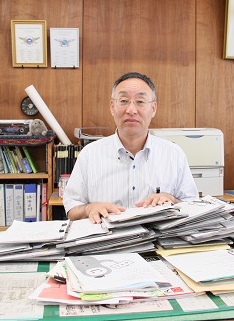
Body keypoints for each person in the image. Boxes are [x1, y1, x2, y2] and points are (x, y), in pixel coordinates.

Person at [63, 72, 199, 223]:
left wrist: (171, 199)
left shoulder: (174, 154)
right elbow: (71, 208)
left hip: (157, 243)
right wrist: (90, 208)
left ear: (153, 108)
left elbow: (193, 207)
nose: (131, 110)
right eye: (123, 100)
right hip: (106, 242)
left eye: (140, 101)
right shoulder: (89, 154)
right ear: (112, 107)